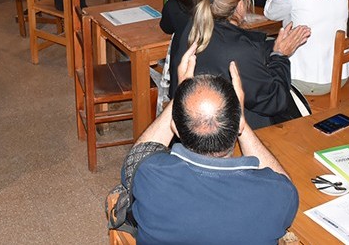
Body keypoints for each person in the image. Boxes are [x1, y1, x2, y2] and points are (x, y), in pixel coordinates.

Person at [110, 48, 298, 245]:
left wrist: (180, 93)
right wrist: (241, 121)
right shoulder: (275, 194)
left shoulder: (150, 174)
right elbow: (286, 186)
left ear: (175, 128)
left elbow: (140, 153)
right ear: (239, 124)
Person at [171, 0, 311, 128]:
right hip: (229, 131)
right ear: (239, 5)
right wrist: (280, 56)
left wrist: (272, 47)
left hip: (191, 119)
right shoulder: (239, 50)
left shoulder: (192, 26)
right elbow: (274, 100)